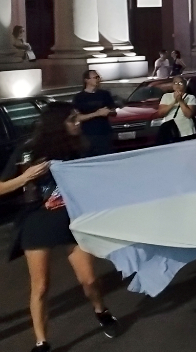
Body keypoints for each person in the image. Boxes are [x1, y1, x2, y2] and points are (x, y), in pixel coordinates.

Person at [0, 104, 121, 352]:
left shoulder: (80, 148)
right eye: (72, 119)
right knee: (41, 286)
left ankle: (101, 310)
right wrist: (25, 177)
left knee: (88, 279)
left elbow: (107, 171)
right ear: (57, 124)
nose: (78, 122)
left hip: (72, 221)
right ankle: (41, 341)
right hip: (37, 222)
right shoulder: (28, 150)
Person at [72, 70, 116, 157]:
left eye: (98, 77)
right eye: (95, 77)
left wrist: (109, 112)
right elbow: (77, 118)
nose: (98, 79)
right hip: (88, 135)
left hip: (105, 134)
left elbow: (114, 111)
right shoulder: (79, 97)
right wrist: (96, 114)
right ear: (87, 80)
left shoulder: (105, 94)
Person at [156, 76, 196, 142]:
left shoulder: (190, 97)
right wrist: (174, 102)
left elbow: (188, 114)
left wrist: (180, 101)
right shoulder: (166, 96)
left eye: (180, 83)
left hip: (186, 131)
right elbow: (161, 113)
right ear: (172, 85)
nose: (177, 85)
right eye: (175, 83)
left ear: (185, 85)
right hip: (171, 131)